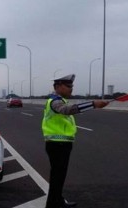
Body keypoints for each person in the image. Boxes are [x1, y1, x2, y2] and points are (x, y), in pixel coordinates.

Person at [42, 74, 109, 208]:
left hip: (61, 144)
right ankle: (54, 204)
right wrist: (93, 104)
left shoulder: (61, 100)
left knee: (59, 177)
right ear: (58, 86)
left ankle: (57, 201)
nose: (71, 89)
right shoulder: (55, 101)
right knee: (57, 177)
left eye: (72, 86)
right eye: (68, 86)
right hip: (57, 145)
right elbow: (67, 110)